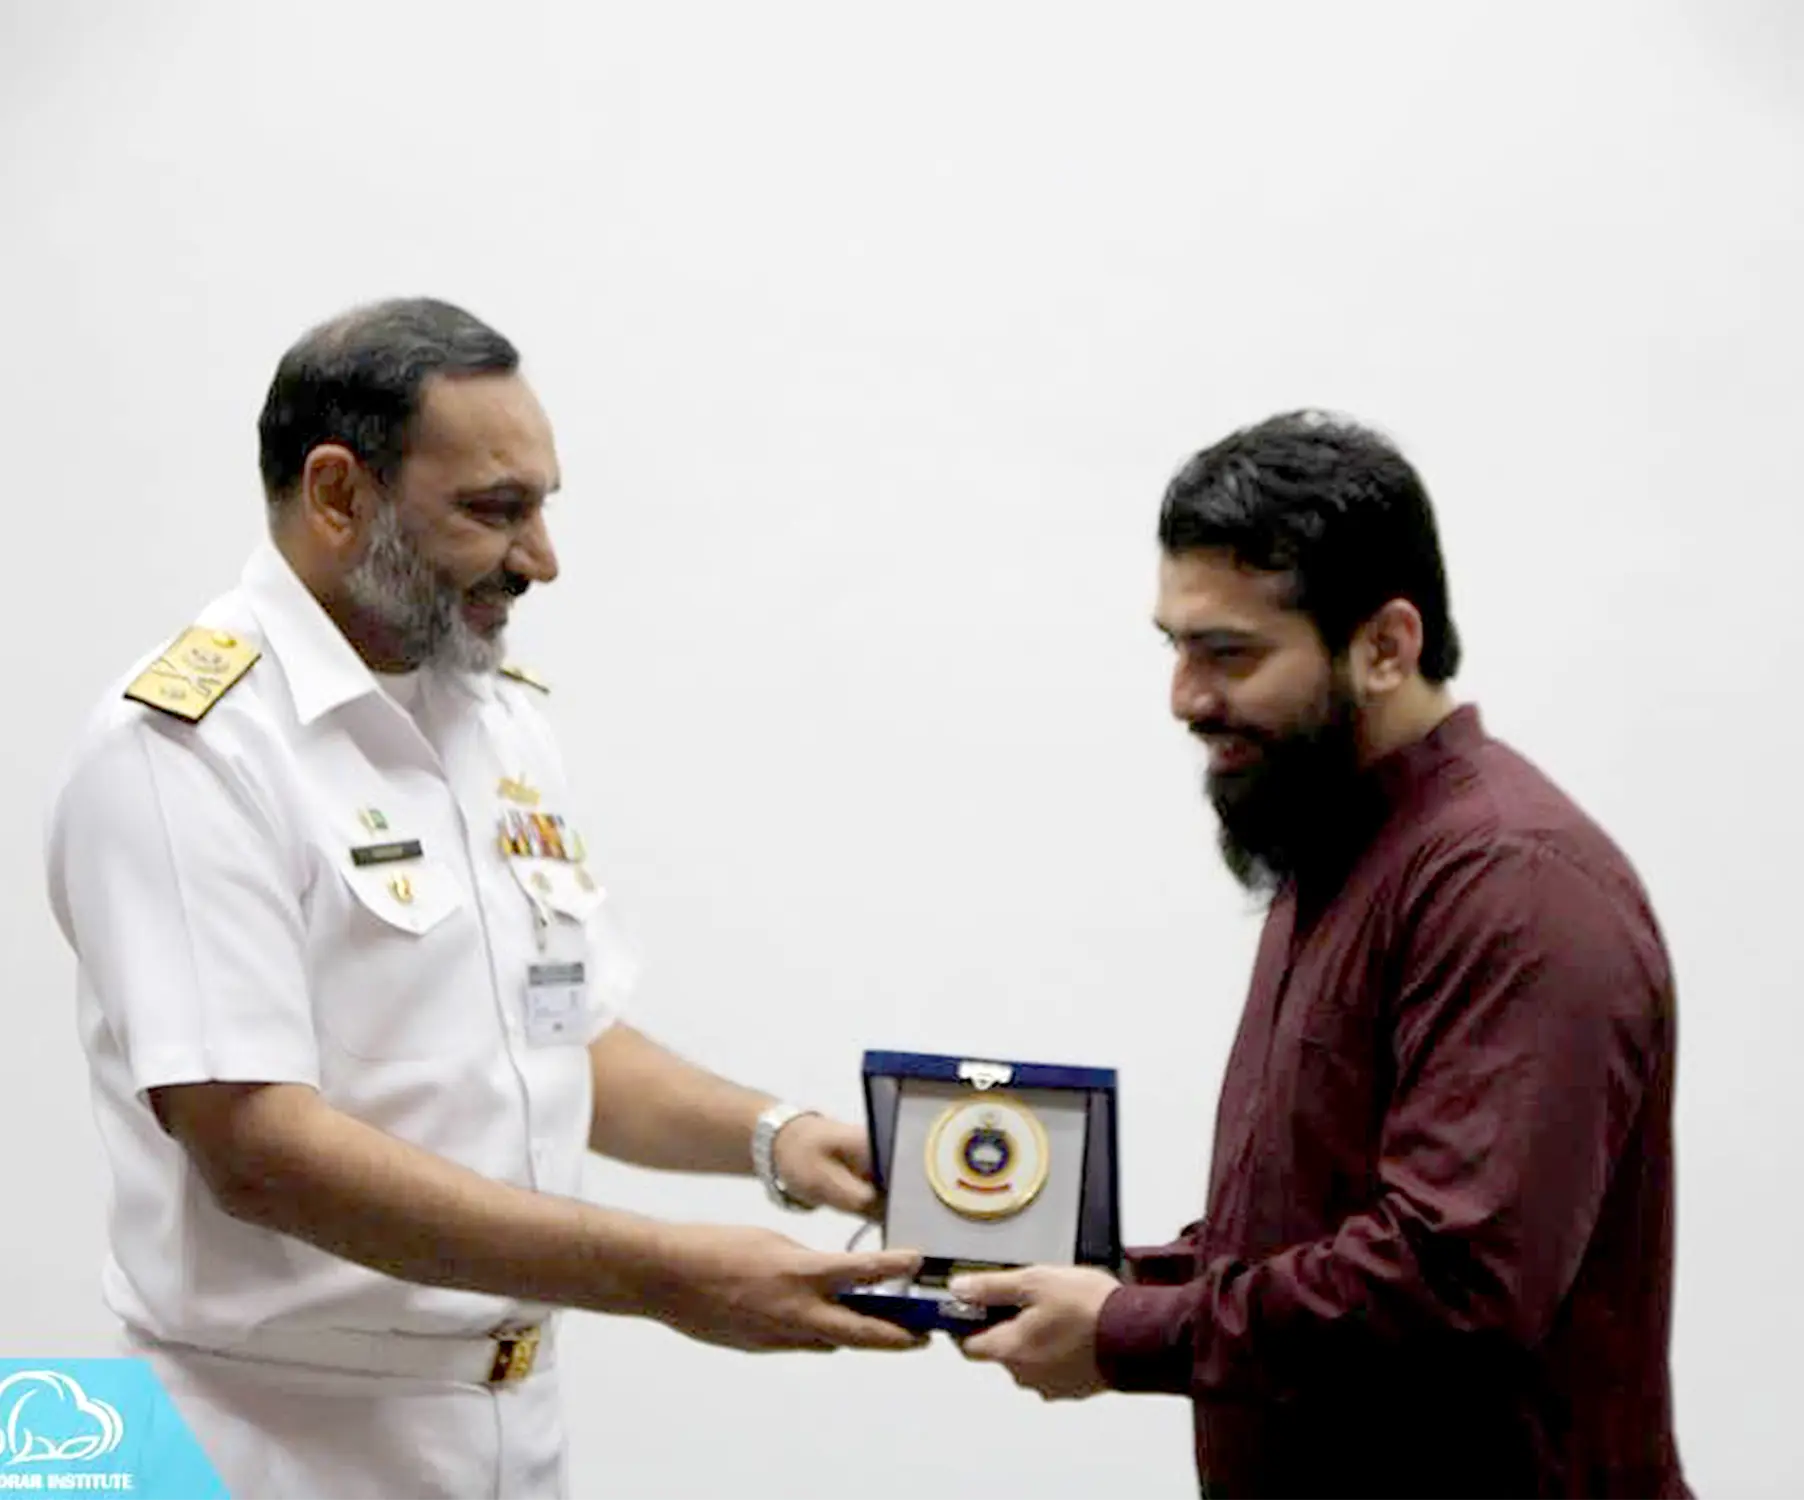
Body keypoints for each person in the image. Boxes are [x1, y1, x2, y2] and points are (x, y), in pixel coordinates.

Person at [43, 297, 922, 1499]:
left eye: (543, 506)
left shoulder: (492, 714)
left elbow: (558, 1037)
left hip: (507, 1419)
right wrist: (666, 1274)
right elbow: (256, 1150)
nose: (541, 558)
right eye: (495, 511)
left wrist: (774, 1137)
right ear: (338, 494)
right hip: (250, 1432)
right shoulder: (185, 746)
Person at [952, 412, 1692, 1498]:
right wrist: (1098, 1279)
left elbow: (1453, 1285)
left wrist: (1125, 1331)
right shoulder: (1337, 840)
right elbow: (1304, 1231)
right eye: (1174, 648)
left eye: (1229, 653)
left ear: (1385, 646)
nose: (1185, 699)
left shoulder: (1510, 882)